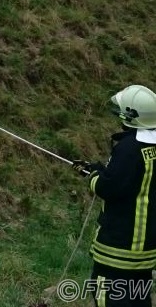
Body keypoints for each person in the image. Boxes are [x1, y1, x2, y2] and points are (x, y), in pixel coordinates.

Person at [73, 84, 156, 306]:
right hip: (145, 250)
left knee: (108, 298)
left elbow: (108, 188)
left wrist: (91, 176)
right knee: (138, 300)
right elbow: (130, 180)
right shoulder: (150, 147)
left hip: (118, 248)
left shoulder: (129, 148)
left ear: (130, 115)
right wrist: (100, 169)